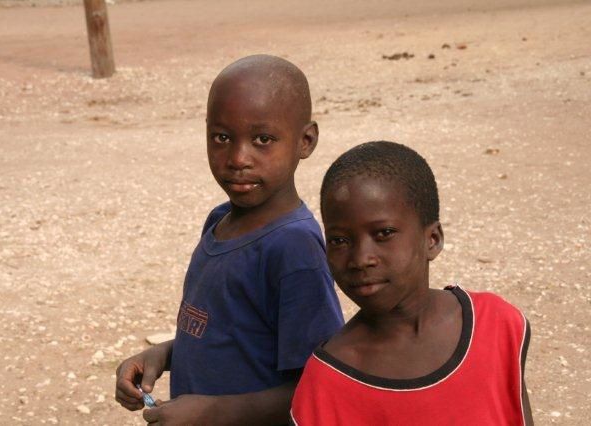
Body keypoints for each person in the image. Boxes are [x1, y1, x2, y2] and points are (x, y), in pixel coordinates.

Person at [115, 55, 344, 425]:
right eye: (222, 138)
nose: (238, 158)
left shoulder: (294, 248)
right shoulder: (220, 220)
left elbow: (319, 384)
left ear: (305, 140)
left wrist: (214, 412)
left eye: (262, 140)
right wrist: (163, 356)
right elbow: (233, 336)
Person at [291, 141, 533, 425]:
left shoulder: (495, 324)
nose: (361, 259)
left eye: (384, 233)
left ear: (432, 240)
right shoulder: (329, 381)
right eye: (340, 240)